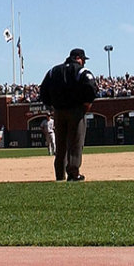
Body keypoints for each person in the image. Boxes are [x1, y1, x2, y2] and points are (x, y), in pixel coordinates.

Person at [38, 47, 98, 181]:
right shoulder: (81, 71)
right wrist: (87, 103)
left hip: (59, 111)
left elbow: (42, 90)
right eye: (83, 60)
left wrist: (52, 105)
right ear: (79, 59)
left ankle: (59, 174)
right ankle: (73, 172)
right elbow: (91, 86)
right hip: (76, 111)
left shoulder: (54, 71)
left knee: (60, 145)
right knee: (75, 142)